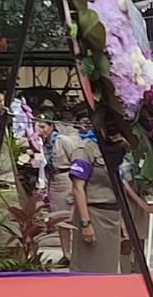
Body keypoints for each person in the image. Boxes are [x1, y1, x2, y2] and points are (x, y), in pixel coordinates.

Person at [68, 123, 121, 273]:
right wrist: (86, 224)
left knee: (109, 270)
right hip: (94, 215)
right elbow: (78, 188)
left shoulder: (114, 148)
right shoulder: (86, 148)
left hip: (112, 217)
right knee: (89, 270)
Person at [43, 115, 77, 261]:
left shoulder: (63, 141)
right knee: (59, 219)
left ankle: (77, 252)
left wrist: (75, 185)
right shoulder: (42, 143)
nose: (40, 130)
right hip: (54, 180)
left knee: (72, 217)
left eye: (43, 127)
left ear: (51, 127)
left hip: (66, 178)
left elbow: (75, 160)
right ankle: (66, 253)